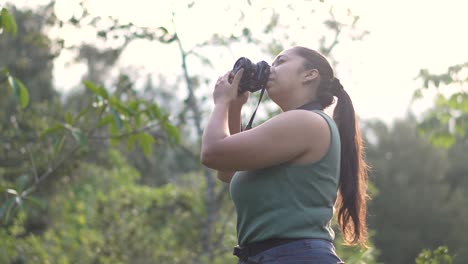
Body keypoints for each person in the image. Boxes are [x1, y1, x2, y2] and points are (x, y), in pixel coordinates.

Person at [201, 46, 369, 264]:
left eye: (280, 62)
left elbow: (211, 152)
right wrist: (234, 107)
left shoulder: (308, 122)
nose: (270, 69)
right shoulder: (294, 126)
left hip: (296, 256)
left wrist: (221, 102)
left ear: (310, 74)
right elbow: (228, 170)